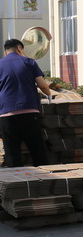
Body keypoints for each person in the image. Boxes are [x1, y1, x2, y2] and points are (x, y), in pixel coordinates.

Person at [0, 39, 51, 167]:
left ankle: (17, 177)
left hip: (6, 114)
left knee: (12, 152)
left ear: (5, 51)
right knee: (37, 149)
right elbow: (42, 85)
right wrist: (49, 95)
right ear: (19, 48)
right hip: (29, 112)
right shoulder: (29, 62)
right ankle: (44, 176)